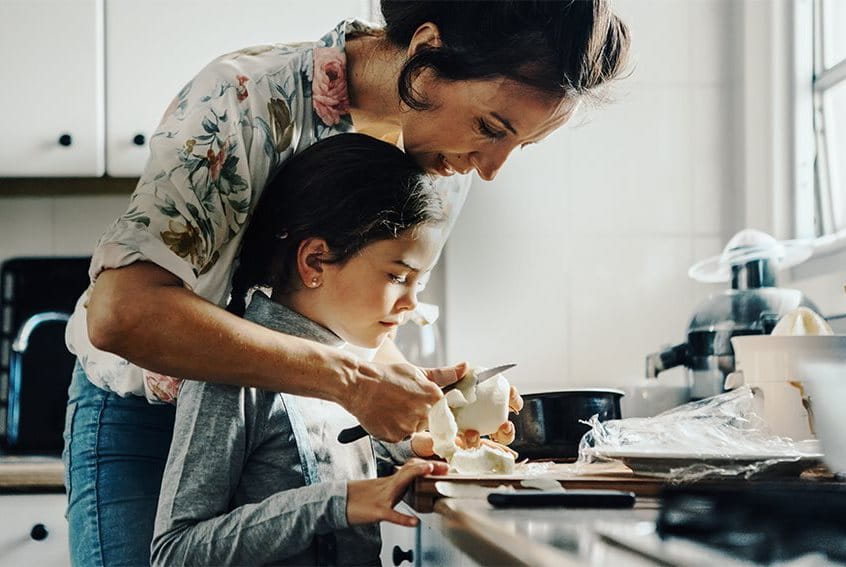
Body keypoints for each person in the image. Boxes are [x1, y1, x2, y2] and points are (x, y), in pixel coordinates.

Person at [63, 1, 631, 565]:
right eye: (490, 128)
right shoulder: (244, 96)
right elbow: (122, 313)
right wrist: (357, 384)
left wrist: (420, 407)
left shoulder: (442, 155)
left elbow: (345, 329)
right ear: (427, 50)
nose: (490, 168)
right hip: (143, 413)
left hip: (292, 412)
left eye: (519, 144)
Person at [151, 132, 456, 566]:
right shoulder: (230, 378)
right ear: (314, 261)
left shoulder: (358, 372)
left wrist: (422, 449)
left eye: (418, 284)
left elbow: (327, 465)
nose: (411, 304)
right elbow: (174, 553)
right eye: (396, 277)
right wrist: (336, 505)